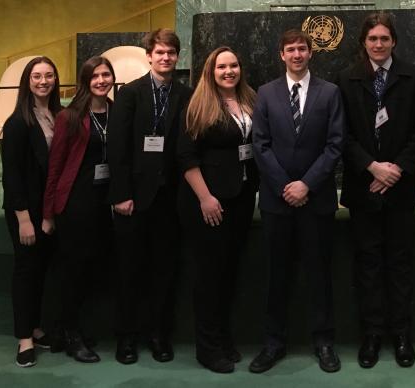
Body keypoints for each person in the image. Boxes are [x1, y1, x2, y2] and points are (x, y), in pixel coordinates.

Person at [336, 12, 415, 368]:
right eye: (372, 39)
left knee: (401, 264)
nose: (378, 44)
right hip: (364, 188)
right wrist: (372, 166)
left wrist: (396, 169)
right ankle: (372, 335)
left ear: (394, 41)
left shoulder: (414, 77)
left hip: (401, 188)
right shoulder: (347, 79)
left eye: (384, 39)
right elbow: (340, 132)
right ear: (364, 42)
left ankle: (402, 335)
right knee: (368, 265)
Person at [249, 29, 344, 374]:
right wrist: (285, 185)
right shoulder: (266, 93)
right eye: (290, 49)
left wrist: (306, 184)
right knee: (277, 276)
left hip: (316, 200)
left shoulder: (330, 92)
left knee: (319, 275)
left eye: (302, 48)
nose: (297, 54)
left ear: (310, 53)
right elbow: (260, 144)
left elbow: (335, 145)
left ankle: (324, 342)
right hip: (277, 201)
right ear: (281, 54)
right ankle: (273, 343)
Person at [107, 28, 192, 365]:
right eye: (160, 52)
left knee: (163, 272)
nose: (166, 57)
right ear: (149, 56)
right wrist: (121, 194)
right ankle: (126, 339)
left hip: (169, 200)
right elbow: (118, 148)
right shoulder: (130, 93)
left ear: (177, 56)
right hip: (133, 200)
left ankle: (158, 336)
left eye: (171, 52)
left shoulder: (185, 94)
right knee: (129, 271)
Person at [176, 46, 259, 374]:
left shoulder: (250, 100)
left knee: (228, 274)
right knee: (209, 276)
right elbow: (186, 156)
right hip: (207, 202)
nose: (229, 71)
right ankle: (207, 348)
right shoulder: (197, 105)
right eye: (222, 66)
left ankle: (222, 339)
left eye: (234, 65)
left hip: (239, 199)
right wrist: (206, 198)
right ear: (211, 71)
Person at [42, 56, 116, 363]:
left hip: (104, 203)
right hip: (75, 204)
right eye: (95, 76)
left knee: (89, 271)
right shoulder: (70, 117)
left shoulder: (117, 111)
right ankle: (71, 334)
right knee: (73, 271)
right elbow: (55, 166)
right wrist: (48, 213)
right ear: (85, 81)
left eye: (106, 74)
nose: (101, 80)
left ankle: (64, 330)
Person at [1, 56, 63, 367]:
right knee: (26, 273)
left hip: (51, 210)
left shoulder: (58, 114)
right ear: (27, 81)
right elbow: (12, 176)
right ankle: (24, 338)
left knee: (42, 273)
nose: (43, 81)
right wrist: (25, 219)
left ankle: (37, 328)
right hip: (25, 211)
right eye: (37, 76)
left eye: (49, 75)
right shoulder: (16, 123)